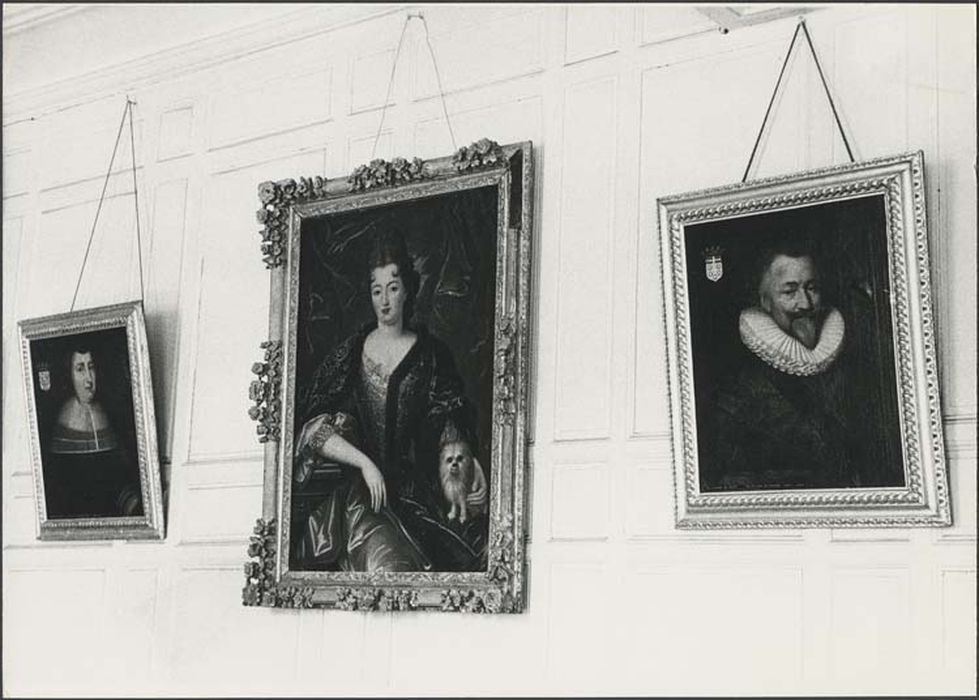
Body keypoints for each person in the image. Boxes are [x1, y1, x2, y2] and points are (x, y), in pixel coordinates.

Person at [292, 230, 488, 572]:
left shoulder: (430, 354)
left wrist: (466, 464)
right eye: (377, 289)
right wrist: (366, 464)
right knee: (388, 563)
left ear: (408, 290)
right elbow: (314, 428)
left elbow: (448, 418)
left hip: (414, 490)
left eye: (393, 288)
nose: (384, 300)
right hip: (362, 495)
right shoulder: (352, 352)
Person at [701, 243, 869, 491]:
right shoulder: (738, 388)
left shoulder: (850, 366)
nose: (806, 304)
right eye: (790, 292)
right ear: (764, 301)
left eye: (812, 288)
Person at [42, 344, 143, 518]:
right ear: (69, 375)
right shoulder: (61, 421)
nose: (89, 379)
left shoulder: (109, 413)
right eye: (80, 369)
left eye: (91, 367)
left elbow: (118, 476)